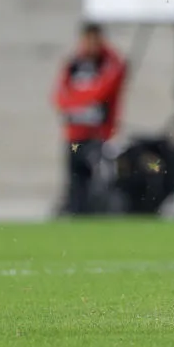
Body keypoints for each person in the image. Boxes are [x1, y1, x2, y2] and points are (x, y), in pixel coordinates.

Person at [52, 23, 127, 215]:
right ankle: (76, 215)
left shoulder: (110, 62)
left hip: (99, 136)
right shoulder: (73, 64)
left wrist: (78, 98)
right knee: (75, 181)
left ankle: (99, 213)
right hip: (75, 135)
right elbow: (59, 95)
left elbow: (103, 90)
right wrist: (81, 101)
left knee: (99, 180)